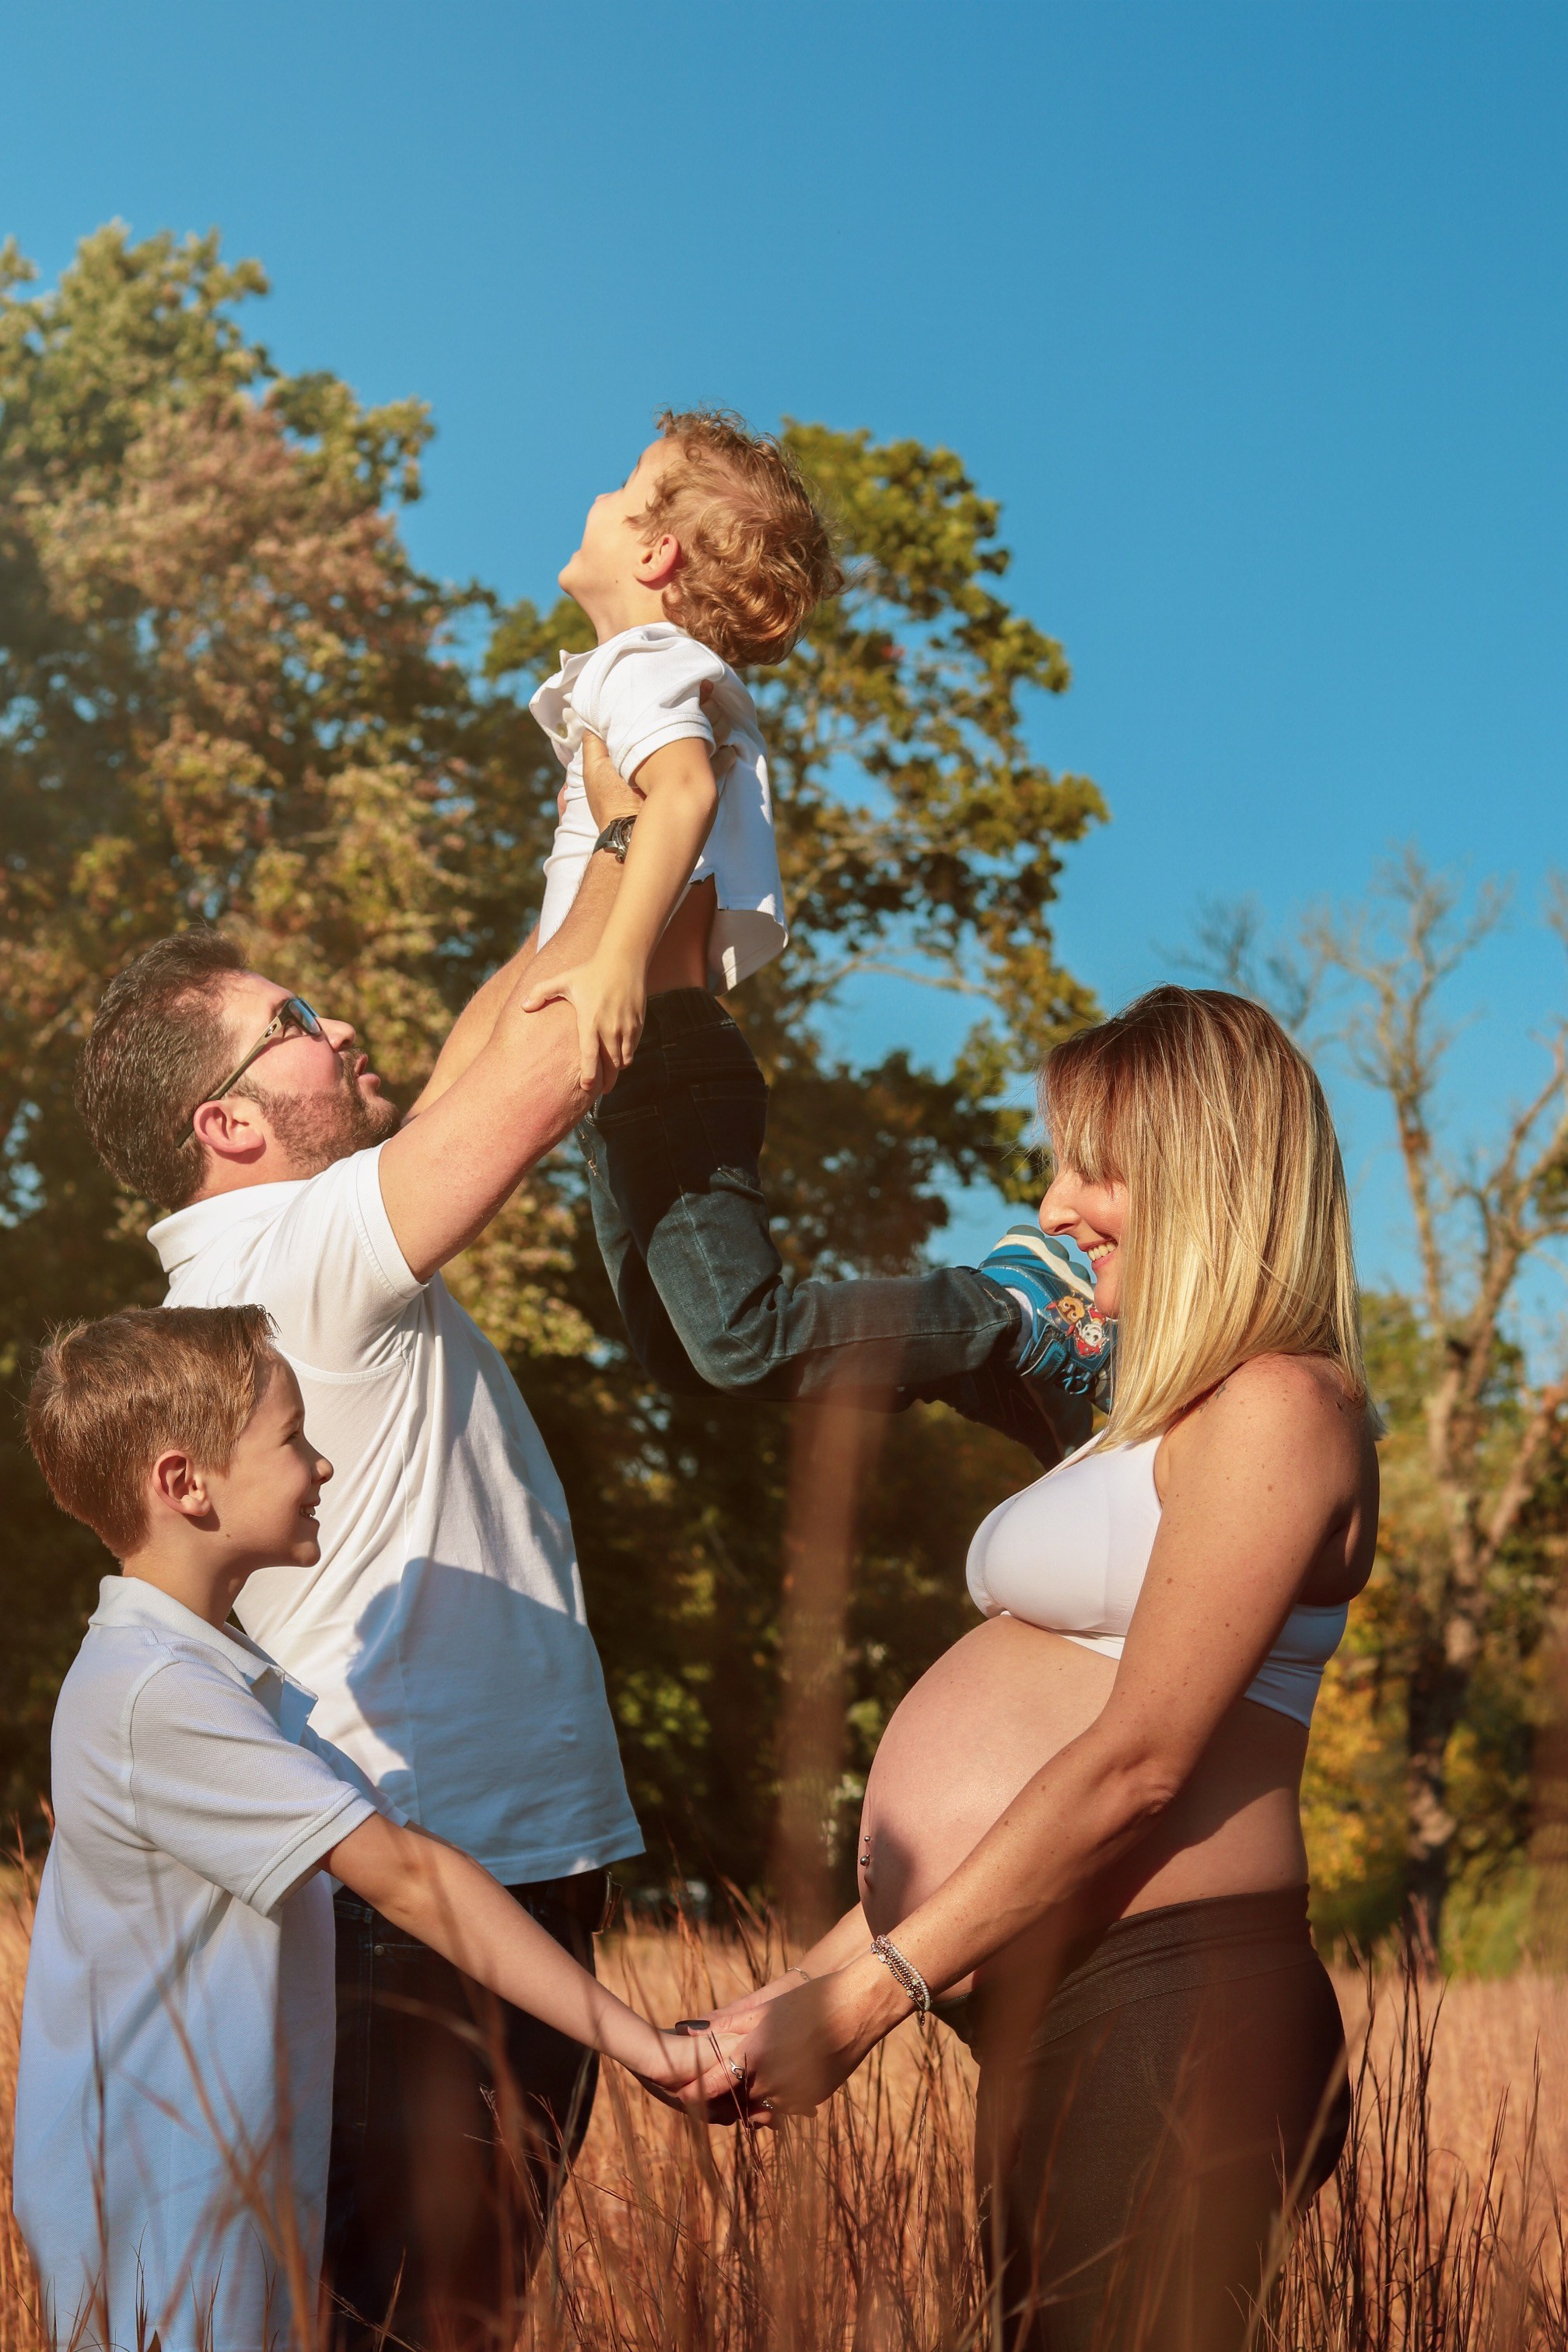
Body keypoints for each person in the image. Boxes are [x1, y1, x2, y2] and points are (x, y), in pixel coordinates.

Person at [708, 988, 1375, 2352]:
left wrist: (871, 1994)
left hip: (1175, 1996)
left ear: (1207, 1175)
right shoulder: (1156, 1418)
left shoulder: (1282, 1406)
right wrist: (796, 1991)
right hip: (1071, 1991)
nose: (1053, 1200)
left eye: (1095, 1165)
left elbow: (1138, 1761)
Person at [70, 856, 649, 2352]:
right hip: (440, 1884)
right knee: (410, 2323)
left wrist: (599, 806)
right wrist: (667, 786)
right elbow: (553, 1050)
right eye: (295, 1019)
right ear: (228, 1121)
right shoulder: (295, 1263)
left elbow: (495, 1029)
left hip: (486, 1862)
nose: (337, 1030)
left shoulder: (306, 1240)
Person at [14, 1307, 733, 2352]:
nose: (322, 1465)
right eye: (291, 1438)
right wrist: (647, 2048)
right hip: (168, 2230)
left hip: (225, 2205)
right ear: (184, 1484)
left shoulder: (234, 1680)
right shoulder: (154, 1695)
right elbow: (405, 1876)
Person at [520, 408, 840, 1083]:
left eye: (625, 482)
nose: (599, 498)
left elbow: (685, 790)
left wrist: (619, 964)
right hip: (662, 1051)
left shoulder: (640, 661)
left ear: (656, 553)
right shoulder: (662, 675)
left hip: (654, 1055)